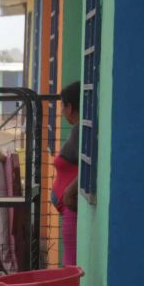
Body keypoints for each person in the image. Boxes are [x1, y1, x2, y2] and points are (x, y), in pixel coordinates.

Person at [52, 81, 81, 266]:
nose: (62, 112)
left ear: (70, 107)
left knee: (70, 265)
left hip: (73, 211)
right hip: (70, 210)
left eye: (62, 106)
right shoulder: (78, 130)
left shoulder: (80, 131)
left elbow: (91, 164)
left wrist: (70, 191)